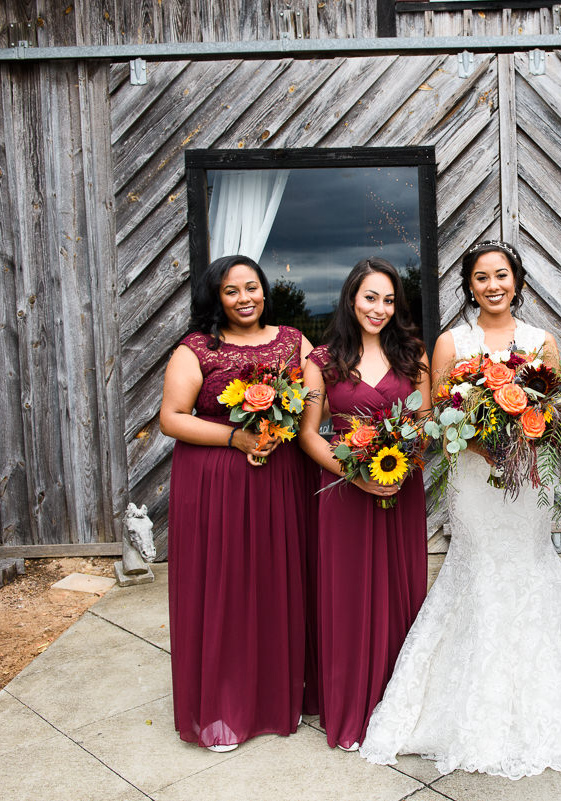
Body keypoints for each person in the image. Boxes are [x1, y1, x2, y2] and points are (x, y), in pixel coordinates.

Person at [360, 240, 561, 779]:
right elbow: (441, 417)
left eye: (502, 276)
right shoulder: (451, 342)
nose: (493, 285)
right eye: (481, 277)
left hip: (528, 480)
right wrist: (481, 442)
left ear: (517, 282)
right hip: (474, 479)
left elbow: (560, 413)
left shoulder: (543, 341)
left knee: (531, 563)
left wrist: (527, 430)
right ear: (469, 286)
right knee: (478, 567)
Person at [159, 254, 316, 752]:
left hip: (283, 481)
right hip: (219, 485)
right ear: (216, 297)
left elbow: (320, 398)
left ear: (265, 291)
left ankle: (278, 694)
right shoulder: (196, 349)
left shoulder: (293, 342)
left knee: (280, 582)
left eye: (252, 287)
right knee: (228, 588)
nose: (245, 298)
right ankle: (224, 707)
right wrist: (236, 439)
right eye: (232, 291)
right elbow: (172, 418)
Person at [298, 257, 431, 752]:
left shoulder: (413, 354)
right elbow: (309, 435)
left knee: (401, 592)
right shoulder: (323, 361)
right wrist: (356, 475)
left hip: (401, 487)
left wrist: (399, 468)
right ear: (352, 298)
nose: (379, 308)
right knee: (349, 596)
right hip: (346, 491)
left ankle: (399, 706)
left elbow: (424, 424)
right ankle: (353, 706)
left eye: (389, 299)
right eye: (370, 297)